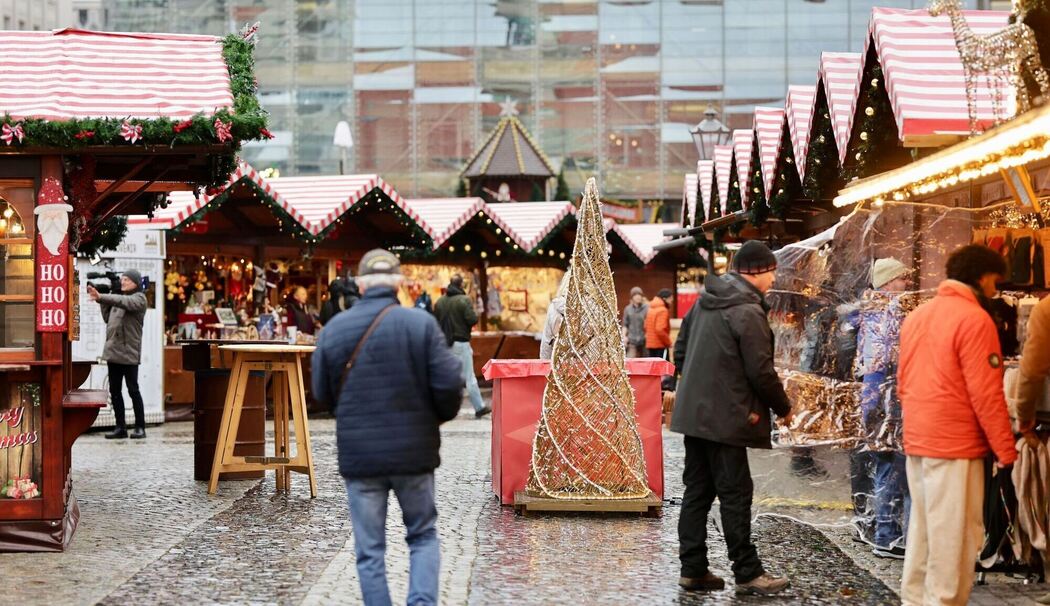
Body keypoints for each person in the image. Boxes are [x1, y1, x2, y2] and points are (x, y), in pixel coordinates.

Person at [312, 249, 463, 606]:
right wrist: (430, 419)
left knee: (369, 550)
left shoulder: (334, 331)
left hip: (361, 457)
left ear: (360, 286)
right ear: (399, 283)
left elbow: (321, 393)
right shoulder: (421, 325)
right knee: (423, 536)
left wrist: (350, 413)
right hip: (414, 453)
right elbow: (449, 388)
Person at [670, 241, 793, 596]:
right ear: (755, 271)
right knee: (736, 494)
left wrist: (700, 387)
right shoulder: (747, 311)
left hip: (696, 416)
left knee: (698, 492)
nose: (773, 278)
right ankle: (748, 572)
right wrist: (784, 407)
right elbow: (761, 371)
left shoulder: (704, 303)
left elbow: (681, 351)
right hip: (727, 418)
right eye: (770, 271)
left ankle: (693, 570)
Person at [897, 244, 1017, 605]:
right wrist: (1005, 450)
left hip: (919, 439)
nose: (996, 290)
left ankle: (915, 599)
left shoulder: (918, 315)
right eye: (996, 281)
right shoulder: (974, 319)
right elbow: (987, 393)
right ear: (982, 278)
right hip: (955, 443)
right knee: (955, 535)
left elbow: (902, 382)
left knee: (924, 531)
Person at [853, 258, 911, 559]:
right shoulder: (887, 311)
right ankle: (887, 538)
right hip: (885, 401)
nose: (907, 284)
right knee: (891, 469)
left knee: (884, 468)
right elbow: (887, 358)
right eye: (902, 279)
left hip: (874, 400)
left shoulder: (870, 309)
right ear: (888, 283)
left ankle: (882, 531)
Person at [87, 269, 149, 440]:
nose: (123, 282)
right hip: (113, 351)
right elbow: (108, 318)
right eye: (122, 279)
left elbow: (124, 301)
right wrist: (103, 298)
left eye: (127, 280)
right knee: (115, 391)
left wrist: (102, 296)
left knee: (133, 389)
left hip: (129, 352)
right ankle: (120, 427)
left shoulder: (139, 298)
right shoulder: (118, 298)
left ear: (136, 282)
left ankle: (140, 427)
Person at [434, 274, 491, 418]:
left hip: (444, 344)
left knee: (446, 376)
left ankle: (440, 407)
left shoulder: (440, 301)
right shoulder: (464, 300)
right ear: (461, 285)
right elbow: (471, 319)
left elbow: (435, 322)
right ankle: (479, 407)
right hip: (460, 343)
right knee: (469, 377)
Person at [540, 270, 571, 360]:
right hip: (585, 367)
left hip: (559, 363)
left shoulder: (554, 307)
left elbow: (546, 341)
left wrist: (544, 364)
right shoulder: (593, 309)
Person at [644, 288, 673, 360]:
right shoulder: (663, 310)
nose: (671, 302)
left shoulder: (651, 309)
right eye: (670, 299)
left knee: (654, 369)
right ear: (664, 298)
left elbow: (645, 326)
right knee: (663, 369)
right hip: (660, 345)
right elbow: (660, 329)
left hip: (650, 344)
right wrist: (668, 342)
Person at [622, 286, 649, 358]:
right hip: (632, 340)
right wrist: (624, 336)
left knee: (646, 361)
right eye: (636, 295)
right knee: (630, 360)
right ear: (632, 297)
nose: (638, 297)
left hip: (645, 340)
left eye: (640, 295)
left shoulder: (647, 308)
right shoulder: (627, 309)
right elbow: (625, 324)